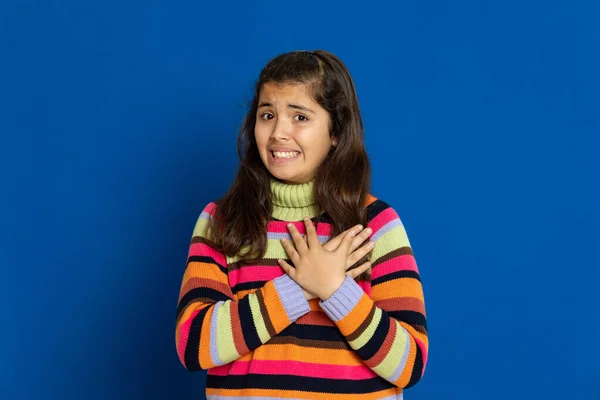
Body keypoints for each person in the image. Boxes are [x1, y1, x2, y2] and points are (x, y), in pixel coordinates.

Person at [175, 50, 428, 399]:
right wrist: (300, 288)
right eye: (267, 114)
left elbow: (409, 364)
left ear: (336, 131)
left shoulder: (375, 226)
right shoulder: (221, 221)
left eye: (300, 117)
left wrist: (336, 290)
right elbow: (194, 344)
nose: (279, 132)